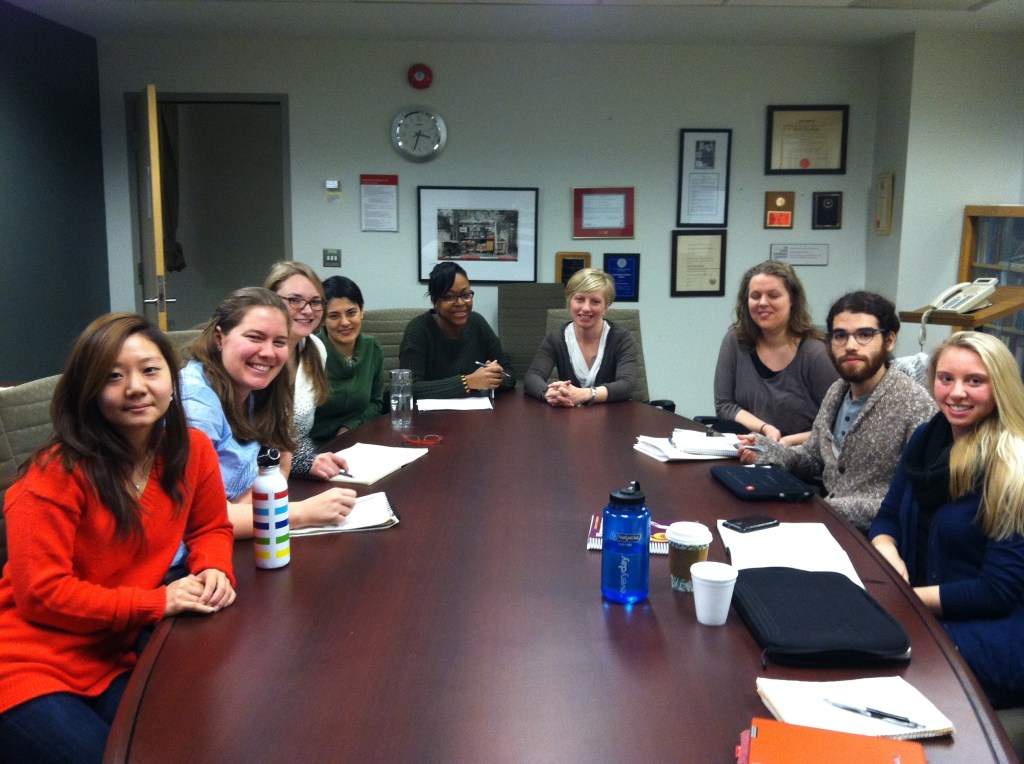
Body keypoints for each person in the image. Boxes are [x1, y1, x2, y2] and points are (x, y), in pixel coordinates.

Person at [0, 313, 236, 762]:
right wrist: (157, 602)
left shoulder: (191, 451)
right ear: (88, 392)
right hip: (26, 662)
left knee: (184, 742)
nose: (136, 387)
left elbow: (210, 527)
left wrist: (213, 568)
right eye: (113, 376)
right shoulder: (54, 475)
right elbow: (41, 595)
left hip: (112, 655)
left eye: (150, 370)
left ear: (172, 380)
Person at [869, 331, 1024, 708]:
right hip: (924, 612)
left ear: (1000, 387)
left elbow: (996, 591)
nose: (956, 393)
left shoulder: (1012, 465)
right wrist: (888, 556)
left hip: (989, 637)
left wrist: (902, 600)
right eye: (946, 378)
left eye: (975, 381)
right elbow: (887, 517)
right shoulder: (927, 438)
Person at [738, 291, 936, 531]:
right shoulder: (837, 391)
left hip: (873, 537)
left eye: (865, 335)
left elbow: (911, 502)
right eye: (840, 336)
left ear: (889, 340)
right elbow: (813, 458)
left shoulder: (916, 405)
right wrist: (767, 449)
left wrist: (821, 508)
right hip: (826, 522)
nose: (850, 346)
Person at [180, 287, 355, 538]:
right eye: (255, 337)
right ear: (219, 338)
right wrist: (301, 513)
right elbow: (196, 518)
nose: (268, 352)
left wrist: (241, 506)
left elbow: (278, 468)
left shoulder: (257, 387)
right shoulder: (196, 403)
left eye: (279, 342)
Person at [714, 260, 838, 445]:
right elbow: (725, 406)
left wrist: (783, 444)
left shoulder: (817, 353)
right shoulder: (735, 341)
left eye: (773, 295)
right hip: (750, 447)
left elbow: (838, 425)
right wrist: (765, 429)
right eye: (755, 296)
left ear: (792, 300)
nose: (763, 303)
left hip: (802, 453)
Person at [263, 261, 348, 479]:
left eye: (315, 302)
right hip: (261, 478)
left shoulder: (316, 349)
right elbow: (250, 441)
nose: (308, 310)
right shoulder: (258, 354)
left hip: (299, 471)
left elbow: (297, 438)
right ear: (270, 300)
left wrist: (314, 460)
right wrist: (304, 462)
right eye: (295, 300)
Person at [399, 261, 515, 399]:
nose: (460, 303)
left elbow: (509, 375)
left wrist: (493, 376)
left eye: (466, 295)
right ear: (434, 300)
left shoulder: (477, 323)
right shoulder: (418, 329)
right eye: (450, 297)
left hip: (476, 410)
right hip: (431, 412)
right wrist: (467, 382)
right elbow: (407, 388)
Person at [524, 268, 638, 406]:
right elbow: (532, 377)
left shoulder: (621, 339)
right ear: (569, 302)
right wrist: (549, 392)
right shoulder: (555, 338)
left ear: (606, 307)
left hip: (612, 416)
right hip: (568, 415)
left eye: (595, 301)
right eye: (579, 299)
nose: (586, 308)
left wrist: (585, 394)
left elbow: (627, 385)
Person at [310, 276, 384, 445]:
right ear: (322, 319)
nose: (344, 322)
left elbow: (375, 402)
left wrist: (349, 428)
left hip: (359, 438)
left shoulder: (372, 348)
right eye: (334, 316)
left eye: (351, 313)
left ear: (361, 311)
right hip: (314, 447)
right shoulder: (309, 352)